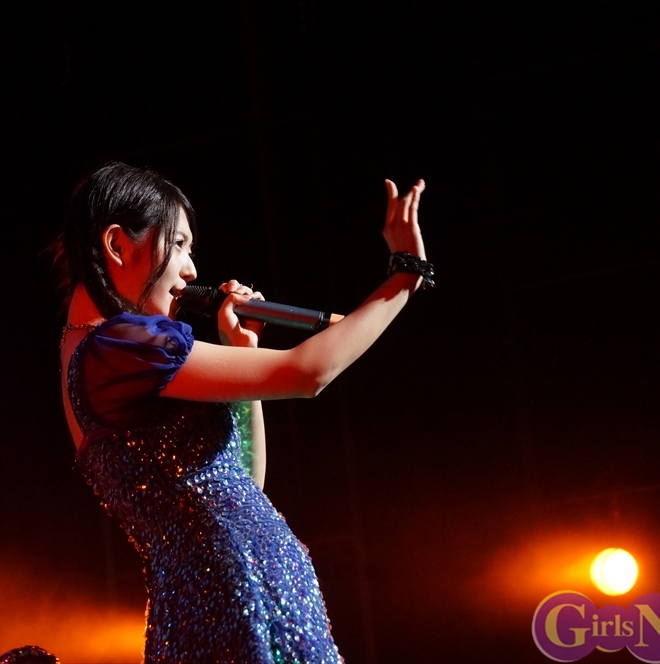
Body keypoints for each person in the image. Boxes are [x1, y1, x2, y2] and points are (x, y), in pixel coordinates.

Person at [53, 161, 430, 662]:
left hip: (222, 591)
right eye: (180, 244)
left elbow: (245, 488)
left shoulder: (95, 353)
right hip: (233, 591)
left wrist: (241, 350)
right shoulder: (120, 347)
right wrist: (406, 273)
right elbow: (308, 372)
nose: (191, 269)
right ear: (117, 244)